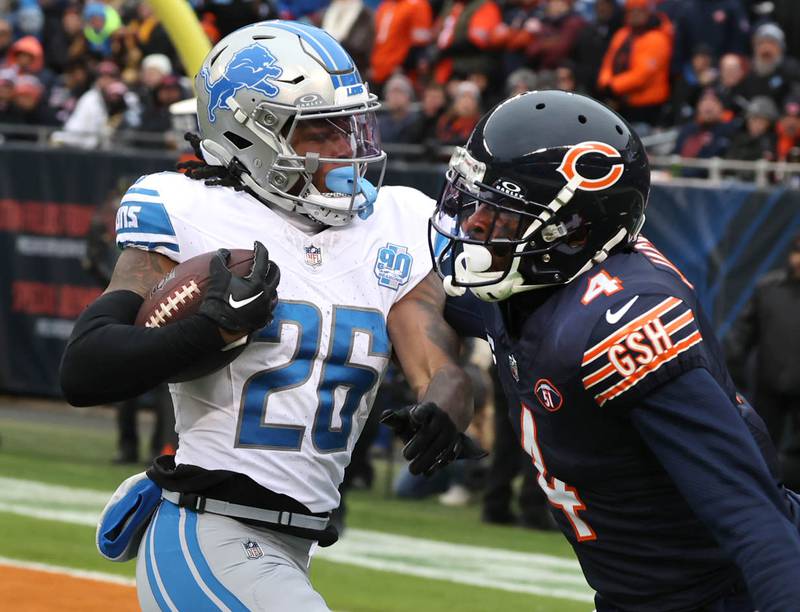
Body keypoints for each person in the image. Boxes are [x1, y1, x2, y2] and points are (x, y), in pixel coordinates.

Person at [59, 21, 475, 611]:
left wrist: (447, 403)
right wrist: (210, 331)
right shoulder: (188, 209)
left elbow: (434, 356)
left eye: (351, 124)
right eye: (320, 130)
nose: (347, 146)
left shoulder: (399, 222)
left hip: (291, 542)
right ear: (249, 134)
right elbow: (85, 369)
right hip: (206, 531)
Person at [416, 89, 800, 611]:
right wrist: (441, 376)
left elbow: (753, 519)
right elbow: (418, 300)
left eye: (500, 213)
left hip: (727, 595)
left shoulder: (622, 325)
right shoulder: (527, 283)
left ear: (570, 230)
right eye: (476, 202)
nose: (474, 224)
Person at [725, 234, 800, 461]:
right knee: (762, 450)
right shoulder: (768, 289)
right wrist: (733, 374)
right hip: (769, 387)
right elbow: (741, 334)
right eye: (797, 252)